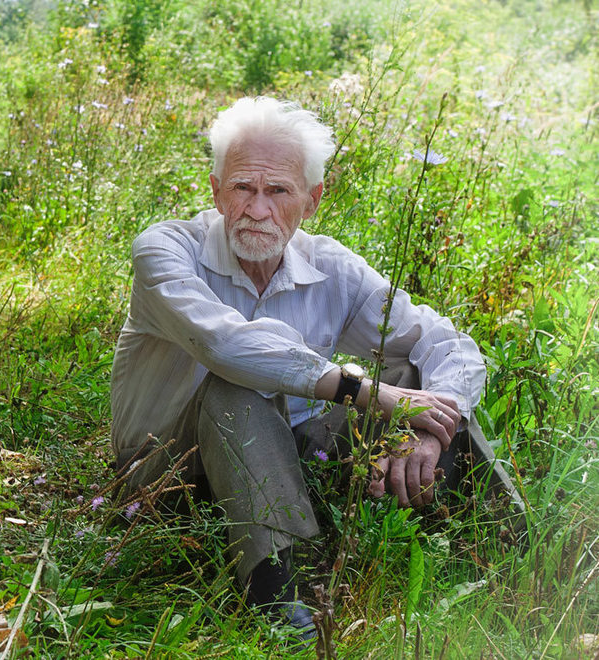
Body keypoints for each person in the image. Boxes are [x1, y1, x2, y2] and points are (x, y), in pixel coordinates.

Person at [110, 96, 516, 639]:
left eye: (277, 191)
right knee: (239, 387)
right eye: (242, 188)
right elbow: (228, 348)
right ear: (214, 190)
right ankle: (286, 596)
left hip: (288, 458)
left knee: (427, 384)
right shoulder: (166, 251)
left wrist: (430, 431)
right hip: (167, 477)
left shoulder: (330, 266)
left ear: (312, 200)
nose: (257, 209)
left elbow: (447, 343)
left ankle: (512, 552)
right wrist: (377, 396)